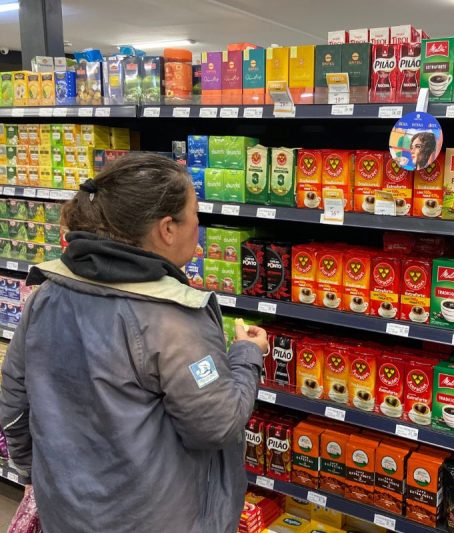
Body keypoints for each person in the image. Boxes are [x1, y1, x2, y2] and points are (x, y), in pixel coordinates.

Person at [0, 153, 268, 533]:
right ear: (167, 229)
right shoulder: (173, 318)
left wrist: (34, 476)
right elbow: (215, 423)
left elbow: (13, 403)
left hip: (66, 514)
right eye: (194, 212)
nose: (198, 224)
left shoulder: (46, 293)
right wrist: (245, 356)